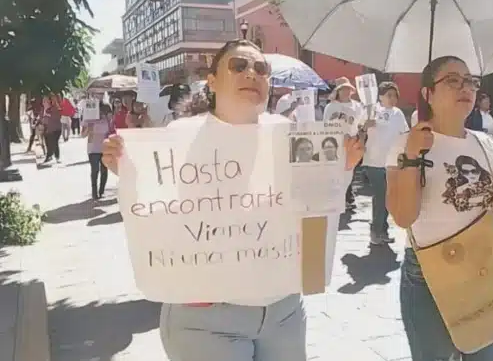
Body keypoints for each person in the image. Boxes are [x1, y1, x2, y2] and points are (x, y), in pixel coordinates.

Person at [102, 39, 364, 361]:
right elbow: (159, 213)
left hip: (283, 312)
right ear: (212, 82)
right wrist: (126, 171)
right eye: (239, 66)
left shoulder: (290, 134)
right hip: (206, 318)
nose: (251, 73)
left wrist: (343, 168)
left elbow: (316, 208)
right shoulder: (180, 136)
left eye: (261, 69)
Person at [386, 56, 493, 361]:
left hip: (485, 270)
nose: (465, 87)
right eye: (452, 80)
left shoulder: (484, 143)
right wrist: (412, 157)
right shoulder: (404, 145)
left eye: (471, 81)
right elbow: (403, 217)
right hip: (430, 277)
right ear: (428, 93)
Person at [362, 81, 409, 246]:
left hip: (392, 163)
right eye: (389, 95)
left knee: (389, 199)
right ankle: (376, 231)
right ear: (380, 96)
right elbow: (358, 128)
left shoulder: (398, 114)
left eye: (395, 95)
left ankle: (382, 230)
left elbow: (405, 133)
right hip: (374, 162)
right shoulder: (371, 110)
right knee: (381, 198)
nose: (392, 98)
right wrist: (365, 125)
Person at [324, 77, 365, 209]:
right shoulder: (330, 107)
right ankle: (335, 200)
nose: (346, 91)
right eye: (343, 89)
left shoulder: (357, 106)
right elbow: (325, 126)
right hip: (333, 145)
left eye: (348, 89)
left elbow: (361, 124)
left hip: (350, 143)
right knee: (333, 174)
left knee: (348, 173)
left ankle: (343, 199)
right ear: (338, 91)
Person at [81, 104, 113, 200]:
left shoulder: (106, 119)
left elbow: (112, 130)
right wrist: (89, 129)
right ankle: (94, 192)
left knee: (104, 170)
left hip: (105, 147)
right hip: (93, 148)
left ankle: (101, 191)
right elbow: (82, 134)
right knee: (95, 170)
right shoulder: (88, 119)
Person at [41, 95, 62, 163]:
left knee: (54, 142)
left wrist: (48, 115)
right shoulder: (43, 109)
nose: (44, 102)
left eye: (46, 101)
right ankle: (49, 156)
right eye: (43, 101)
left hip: (55, 128)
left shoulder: (54, 108)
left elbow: (58, 116)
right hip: (46, 128)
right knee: (48, 143)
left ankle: (56, 157)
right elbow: (41, 118)